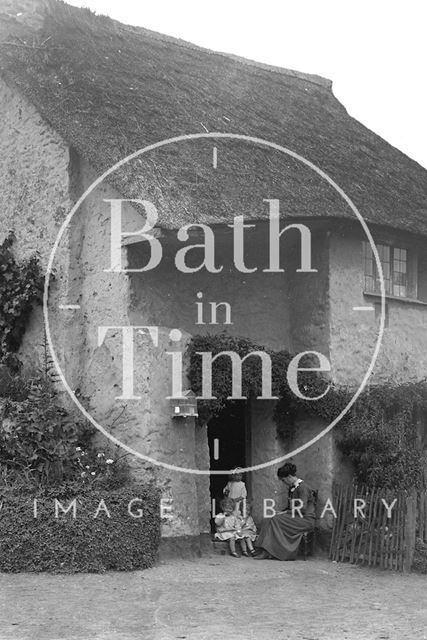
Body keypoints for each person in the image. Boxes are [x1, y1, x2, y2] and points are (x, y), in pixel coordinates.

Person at [254, 462, 316, 560]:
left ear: (289, 476)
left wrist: (285, 513)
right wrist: (282, 512)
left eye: (283, 480)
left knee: (275, 520)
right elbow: (290, 508)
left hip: (305, 520)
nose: (283, 483)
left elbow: (302, 508)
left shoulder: (303, 488)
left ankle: (269, 551)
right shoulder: (292, 488)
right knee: (268, 518)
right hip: (295, 517)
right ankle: (262, 548)